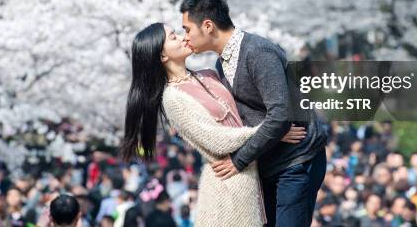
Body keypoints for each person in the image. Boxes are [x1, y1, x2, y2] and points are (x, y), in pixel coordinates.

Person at [119, 22, 305, 226]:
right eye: (173, 37)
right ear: (163, 56)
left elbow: (244, 111)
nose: (183, 37)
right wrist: (270, 131)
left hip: (251, 171)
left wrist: (269, 131)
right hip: (227, 185)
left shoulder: (209, 74)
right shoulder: (173, 98)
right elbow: (217, 140)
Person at [179, 0, 328, 226]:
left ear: (208, 26)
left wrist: (239, 160)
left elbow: (279, 114)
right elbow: (257, 117)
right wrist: (272, 131)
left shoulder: (258, 52)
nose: (185, 36)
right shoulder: (222, 64)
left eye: (187, 29)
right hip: (269, 161)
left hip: (296, 160)